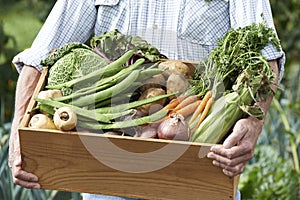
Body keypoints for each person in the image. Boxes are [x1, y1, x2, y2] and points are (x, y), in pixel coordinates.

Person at [9, 0, 285, 199]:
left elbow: (266, 57)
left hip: (200, 174)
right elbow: (38, 60)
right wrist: (17, 139)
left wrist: (252, 123)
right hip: (104, 177)